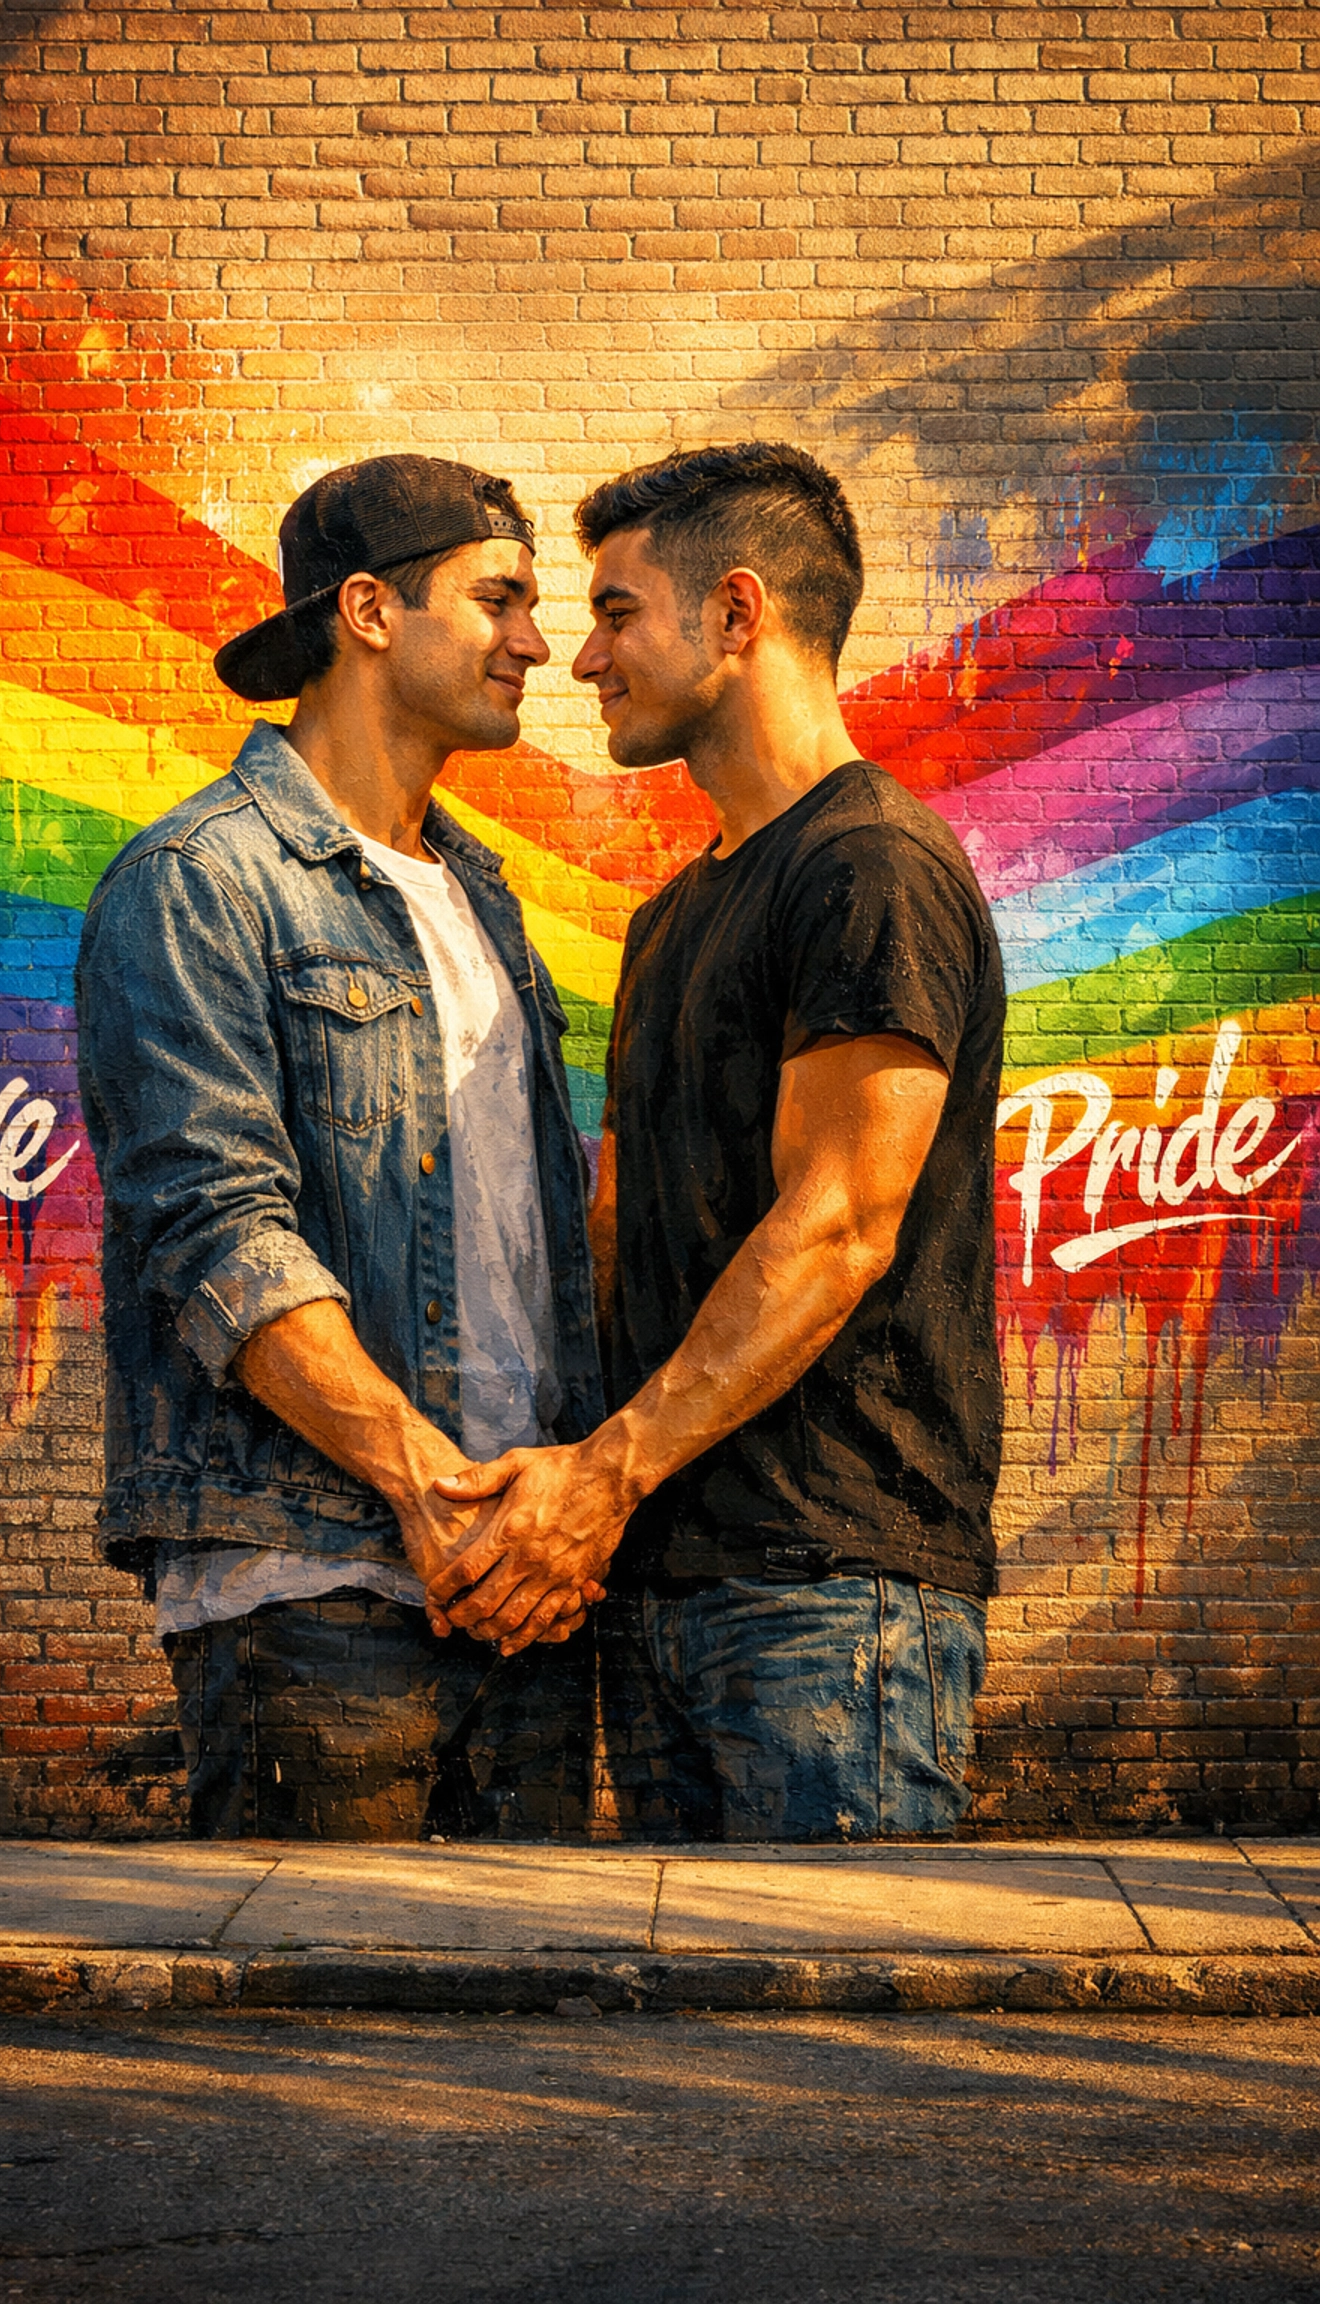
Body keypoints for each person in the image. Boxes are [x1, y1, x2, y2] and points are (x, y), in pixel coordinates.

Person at [429, 442, 1007, 1842]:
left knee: (842, 2049)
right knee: (694, 2035)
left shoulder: (870, 868)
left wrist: (603, 1479)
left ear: (736, 615)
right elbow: (625, 1236)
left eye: (619, 613)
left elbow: (838, 1227)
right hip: (664, 1582)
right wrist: (568, 1505)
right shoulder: (673, 920)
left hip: (835, 1589)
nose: (582, 660)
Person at [75, 454, 605, 1840]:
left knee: (526, 2044)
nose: (538, 643)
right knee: (317, 2039)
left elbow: (530, 1251)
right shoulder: (202, 882)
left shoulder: (484, 900)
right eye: (499, 599)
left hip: (515, 1592)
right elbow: (216, 1235)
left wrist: (539, 1513)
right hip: (311, 1590)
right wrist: (424, 1486)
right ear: (370, 611)